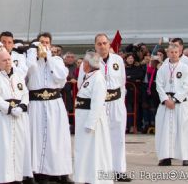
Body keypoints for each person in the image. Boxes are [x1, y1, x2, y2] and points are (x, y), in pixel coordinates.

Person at [78, 34, 129, 182]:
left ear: (109, 44)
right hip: (99, 104)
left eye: (105, 43)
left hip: (116, 102)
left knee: (118, 137)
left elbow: (122, 82)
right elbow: (81, 83)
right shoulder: (90, 61)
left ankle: (119, 170)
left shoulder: (118, 60)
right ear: (95, 45)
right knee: (100, 139)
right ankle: (101, 170)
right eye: (99, 44)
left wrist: (121, 101)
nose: (102, 46)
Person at [26, 33, 72, 184]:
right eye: (41, 42)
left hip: (54, 103)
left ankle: (60, 172)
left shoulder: (57, 60)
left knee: (57, 139)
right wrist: (34, 54)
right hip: (37, 103)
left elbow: (61, 78)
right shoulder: (31, 61)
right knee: (37, 138)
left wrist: (49, 58)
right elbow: (27, 73)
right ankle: (40, 172)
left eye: (47, 42)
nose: (44, 45)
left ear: (51, 45)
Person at [0, 49, 31, 184]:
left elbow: (25, 94)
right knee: (3, 148)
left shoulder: (18, 76)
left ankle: (17, 177)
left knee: (18, 146)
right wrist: (10, 109)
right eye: (4, 60)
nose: (7, 62)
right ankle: (3, 178)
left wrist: (22, 106)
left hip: (19, 117)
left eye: (9, 59)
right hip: (1, 118)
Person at [73, 51, 113, 184]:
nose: (82, 64)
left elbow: (97, 103)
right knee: (85, 151)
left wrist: (90, 123)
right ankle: (86, 176)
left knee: (94, 151)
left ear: (88, 64)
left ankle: (95, 178)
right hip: (83, 118)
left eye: (84, 62)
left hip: (92, 122)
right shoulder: (89, 76)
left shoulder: (98, 78)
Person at [155, 43, 188, 166]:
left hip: (180, 103)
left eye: (176, 52)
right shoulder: (163, 68)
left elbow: (186, 86)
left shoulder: (185, 68)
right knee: (164, 130)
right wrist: (166, 99)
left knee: (183, 129)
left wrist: (175, 100)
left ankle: (185, 157)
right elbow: (159, 85)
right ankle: (165, 156)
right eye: (171, 52)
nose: (174, 54)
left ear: (179, 53)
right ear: (168, 53)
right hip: (166, 102)